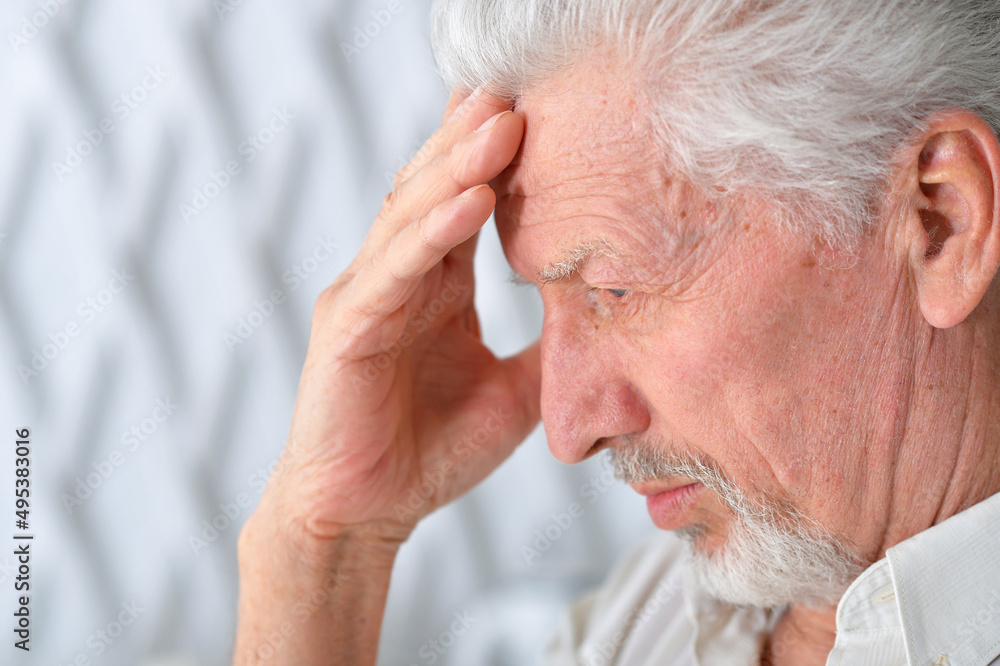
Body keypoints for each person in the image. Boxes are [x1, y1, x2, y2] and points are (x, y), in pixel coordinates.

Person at [232, 1, 1000, 664]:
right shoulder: (642, 621)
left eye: (614, 289)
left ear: (941, 221)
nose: (565, 427)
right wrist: (321, 553)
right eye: (543, 300)